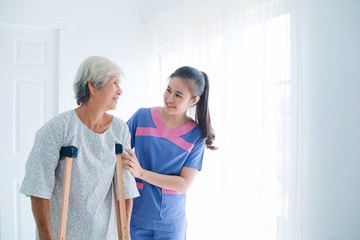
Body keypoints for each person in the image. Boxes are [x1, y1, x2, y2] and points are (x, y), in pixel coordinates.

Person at [20, 56, 139, 240]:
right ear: (92, 86)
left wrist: (125, 234)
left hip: (105, 233)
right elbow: (39, 187)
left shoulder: (119, 130)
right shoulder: (57, 129)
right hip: (62, 233)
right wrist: (45, 237)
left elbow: (125, 187)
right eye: (114, 83)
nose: (120, 91)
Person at [122, 66, 217, 240]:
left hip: (170, 224)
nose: (169, 98)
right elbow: (117, 151)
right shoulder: (142, 117)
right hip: (135, 216)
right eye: (168, 90)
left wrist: (141, 172)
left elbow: (183, 183)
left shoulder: (196, 135)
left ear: (194, 100)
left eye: (178, 95)